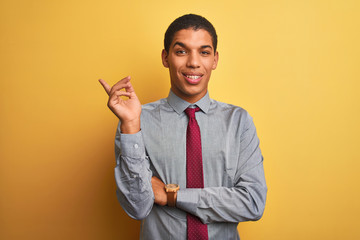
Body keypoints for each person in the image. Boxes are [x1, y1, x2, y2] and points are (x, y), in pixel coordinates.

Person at [99, 14, 267, 240]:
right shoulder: (137, 121)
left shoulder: (239, 122)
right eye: (181, 51)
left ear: (214, 60)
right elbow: (137, 206)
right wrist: (130, 125)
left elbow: (253, 203)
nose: (194, 62)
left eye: (204, 52)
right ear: (166, 57)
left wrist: (173, 196)